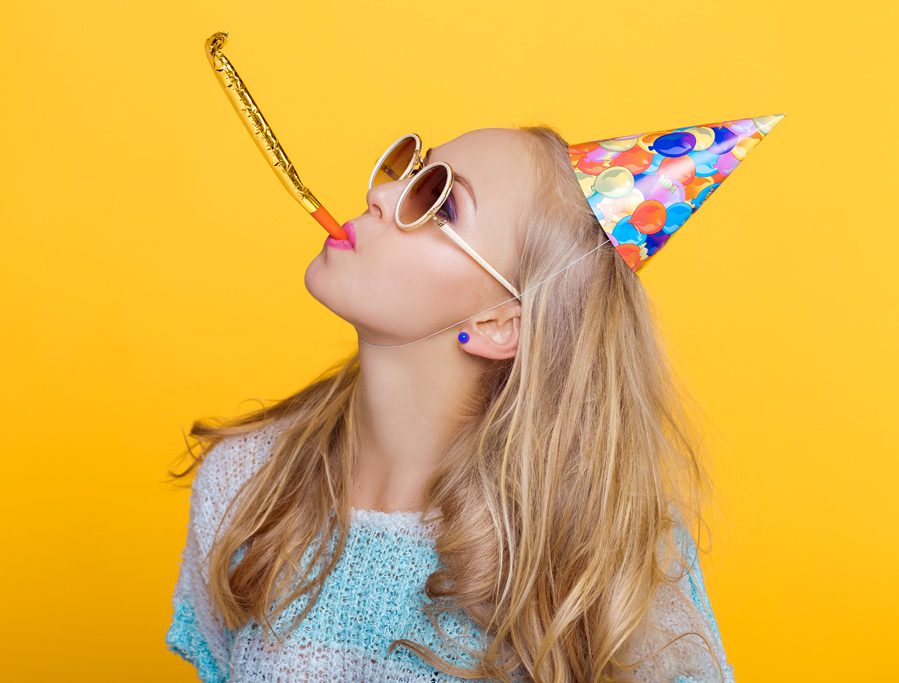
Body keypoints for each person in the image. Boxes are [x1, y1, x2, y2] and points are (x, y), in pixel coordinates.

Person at [164, 124, 747, 682]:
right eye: (414, 170)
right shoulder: (248, 483)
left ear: (498, 322)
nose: (380, 192)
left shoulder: (602, 546)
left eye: (440, 203)